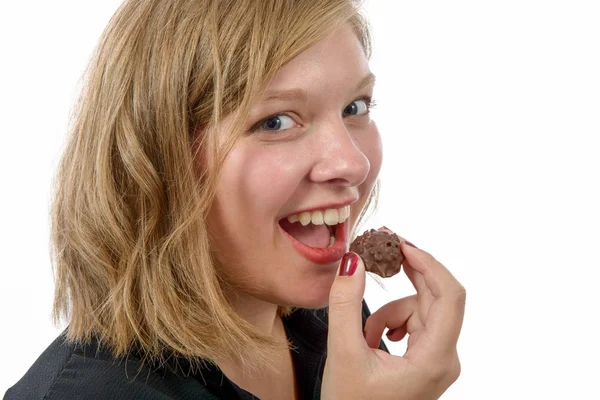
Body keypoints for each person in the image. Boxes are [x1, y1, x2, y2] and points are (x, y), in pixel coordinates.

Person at [5, 0, 465, 399]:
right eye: (277, 122)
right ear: (159, 161)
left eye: (355, 107)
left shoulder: (330, 326)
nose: (352, 162)